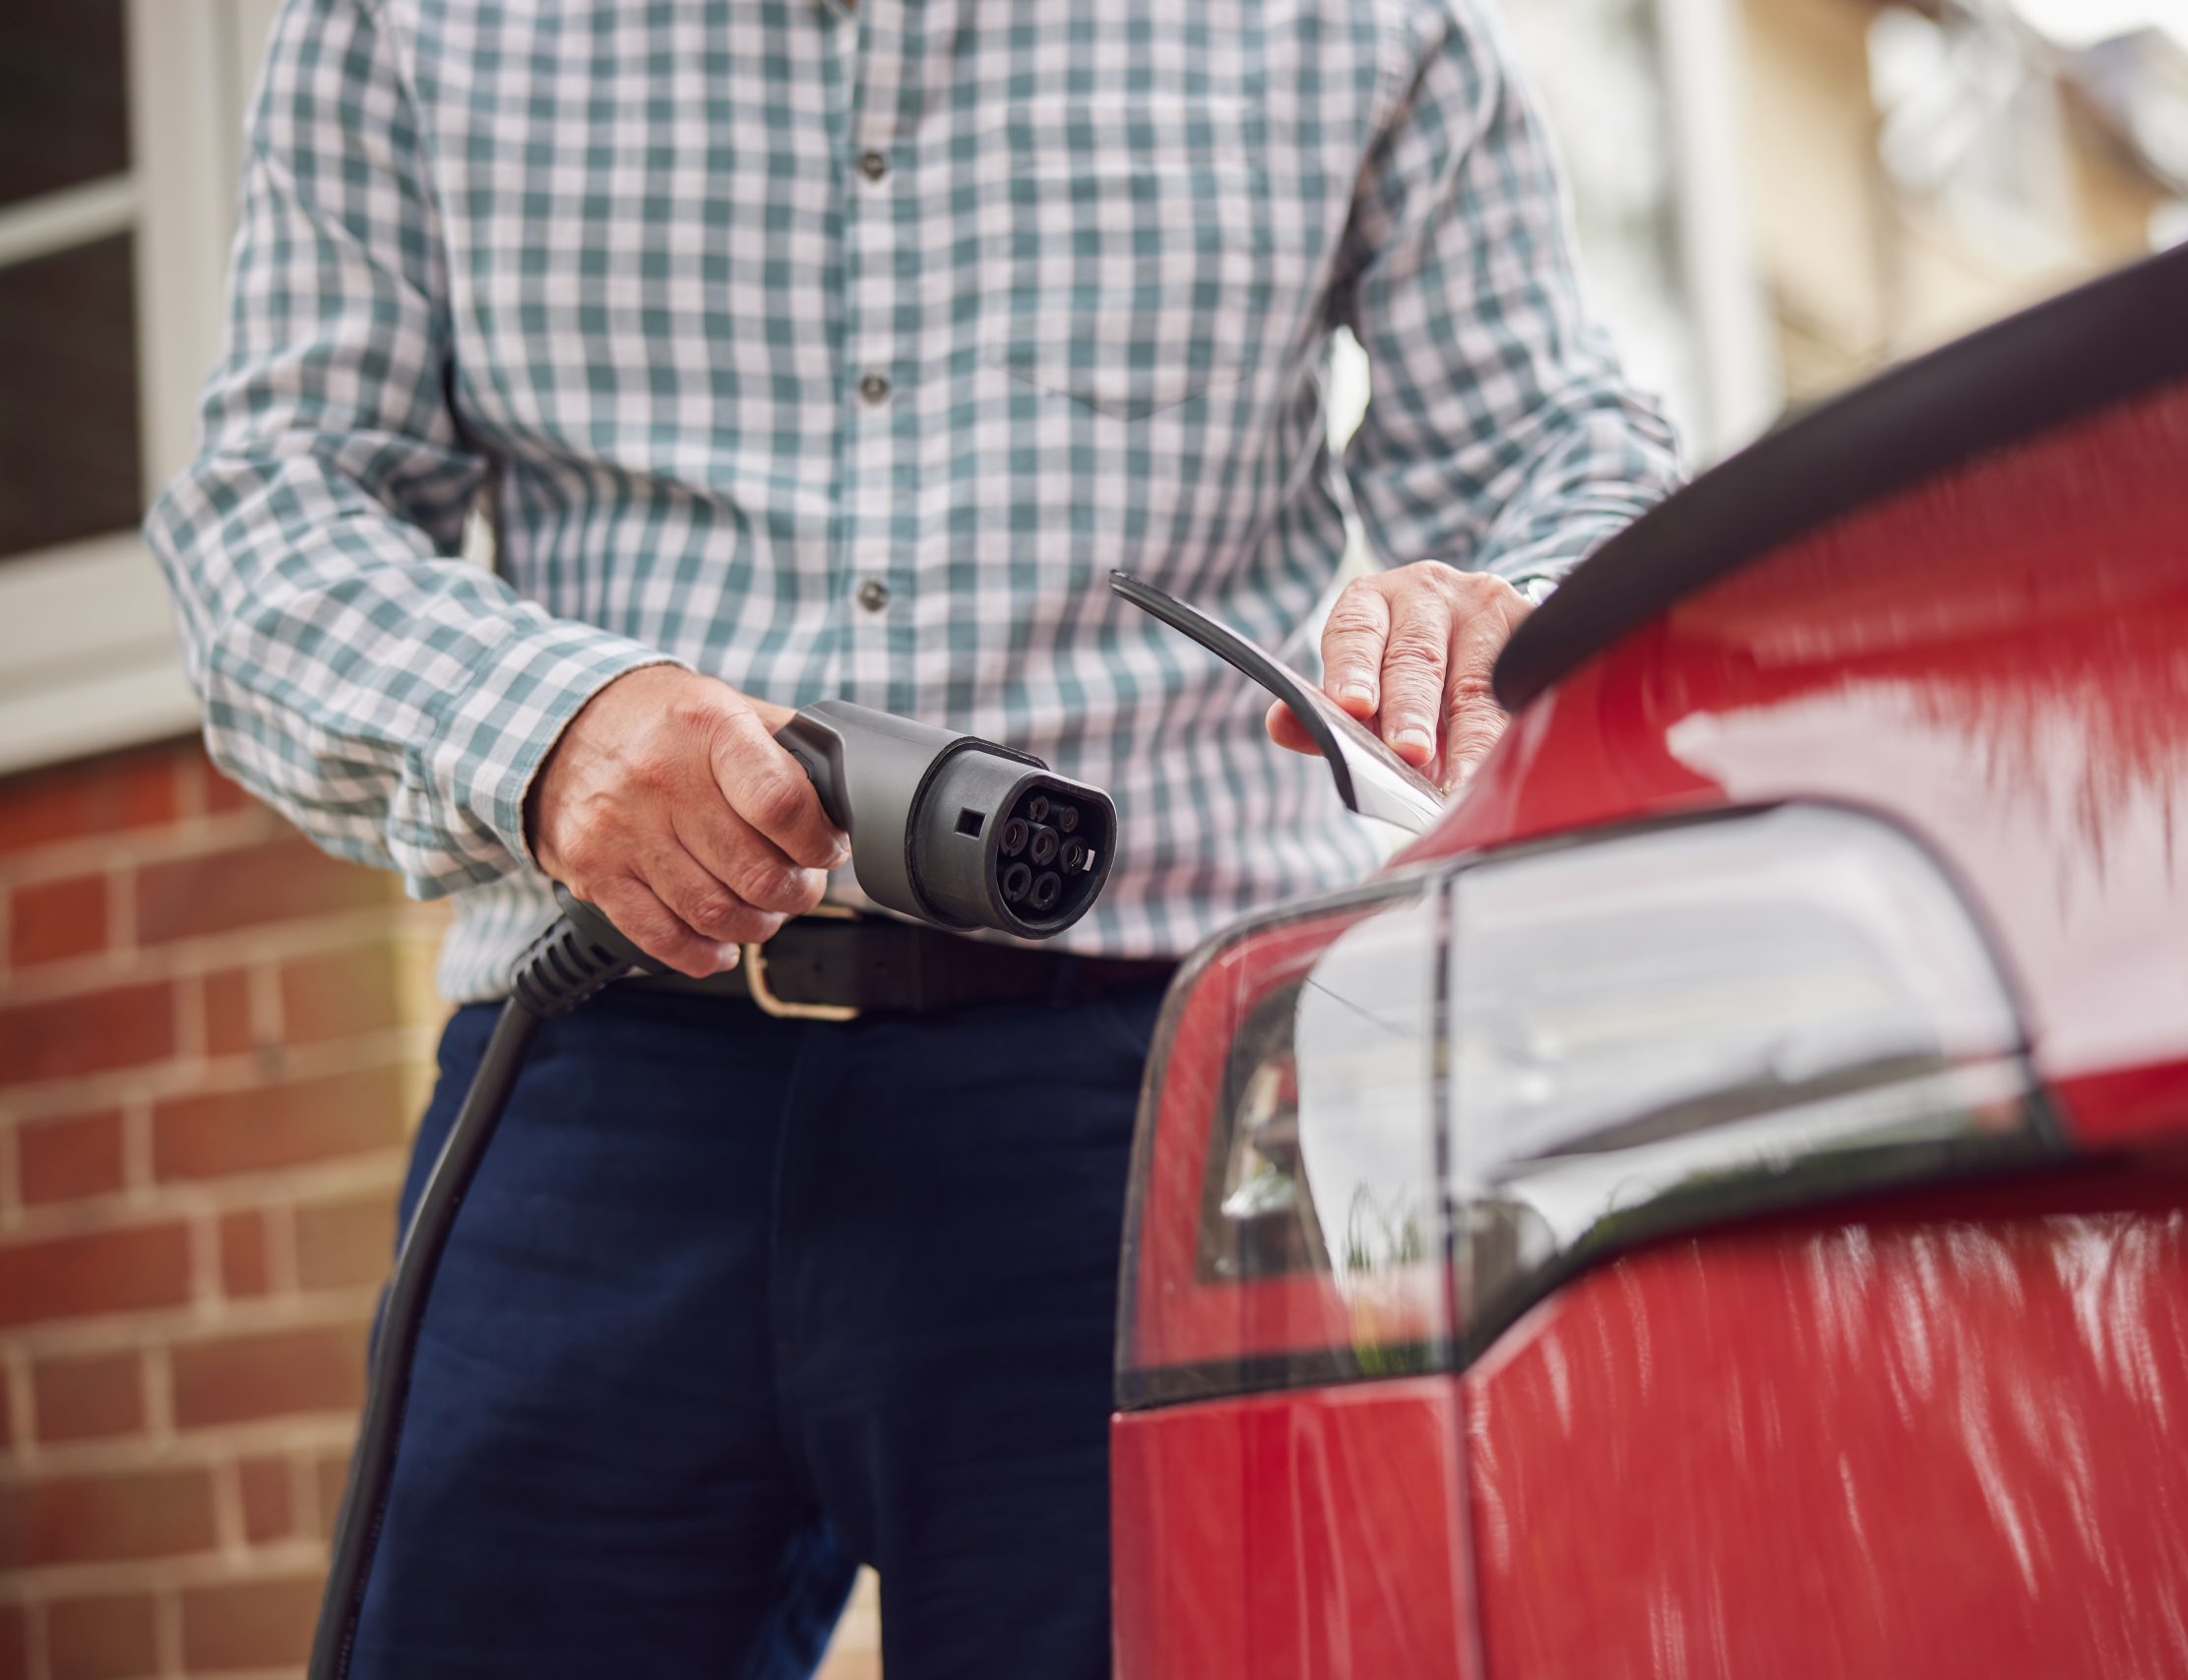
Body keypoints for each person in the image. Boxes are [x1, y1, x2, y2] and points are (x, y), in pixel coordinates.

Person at [147, 0, 1678, 1673]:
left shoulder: (1351, 24)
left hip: (1163, 1103)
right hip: (595, 1062)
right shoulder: (412, 22)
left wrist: (1502, 618)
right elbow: (272, 511)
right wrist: (547, 730)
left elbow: (1565, 447)